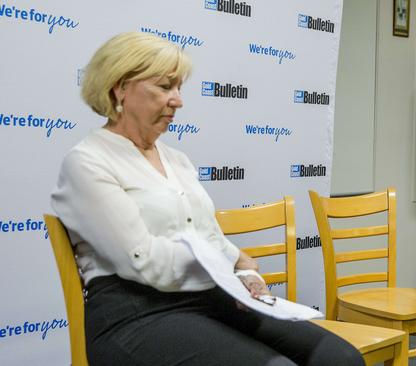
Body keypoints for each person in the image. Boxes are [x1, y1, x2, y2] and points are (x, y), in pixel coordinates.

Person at [51, 32, 363, 366]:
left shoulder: (178, 161)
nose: (178, 100)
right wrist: (227, 267)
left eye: (179, 87)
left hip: (206, 298)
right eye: (164, 86)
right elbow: (147, 261)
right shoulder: (87, 162)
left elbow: (209, 237)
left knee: (340, 357)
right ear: (120, 88)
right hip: (134, 315)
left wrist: (245, 274)